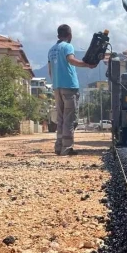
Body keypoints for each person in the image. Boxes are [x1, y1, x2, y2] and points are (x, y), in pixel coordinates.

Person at [47, 24, 96, 156]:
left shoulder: (51, 50)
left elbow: (50, 70)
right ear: (70, 35)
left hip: (57, 88)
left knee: (61, 118)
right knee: (70, 119)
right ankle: (66, 148)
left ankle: (58, 146)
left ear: (58, 35)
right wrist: (87, 65)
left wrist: (56, 83)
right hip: (69, 87)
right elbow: (72, 60)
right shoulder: (67, 46)